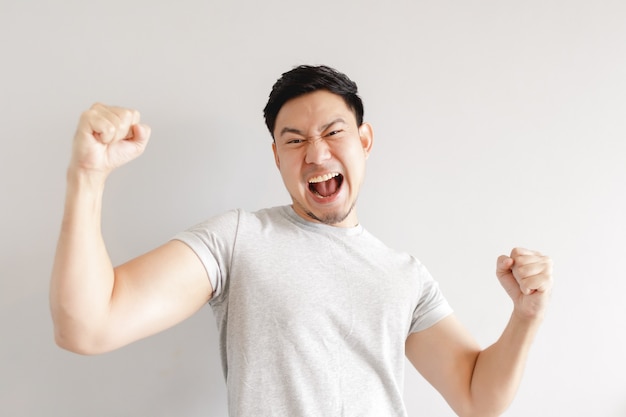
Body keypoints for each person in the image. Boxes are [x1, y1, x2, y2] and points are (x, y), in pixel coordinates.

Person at [50, 65, 553, 417]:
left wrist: (525, 315)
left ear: (364, 140)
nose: (316, 154)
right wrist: (87, 177)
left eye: (334, 132)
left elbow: (476, 398)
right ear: (276, 156)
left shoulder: (405, 275)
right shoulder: (237, 240)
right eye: (294, 140)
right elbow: (88, 326)